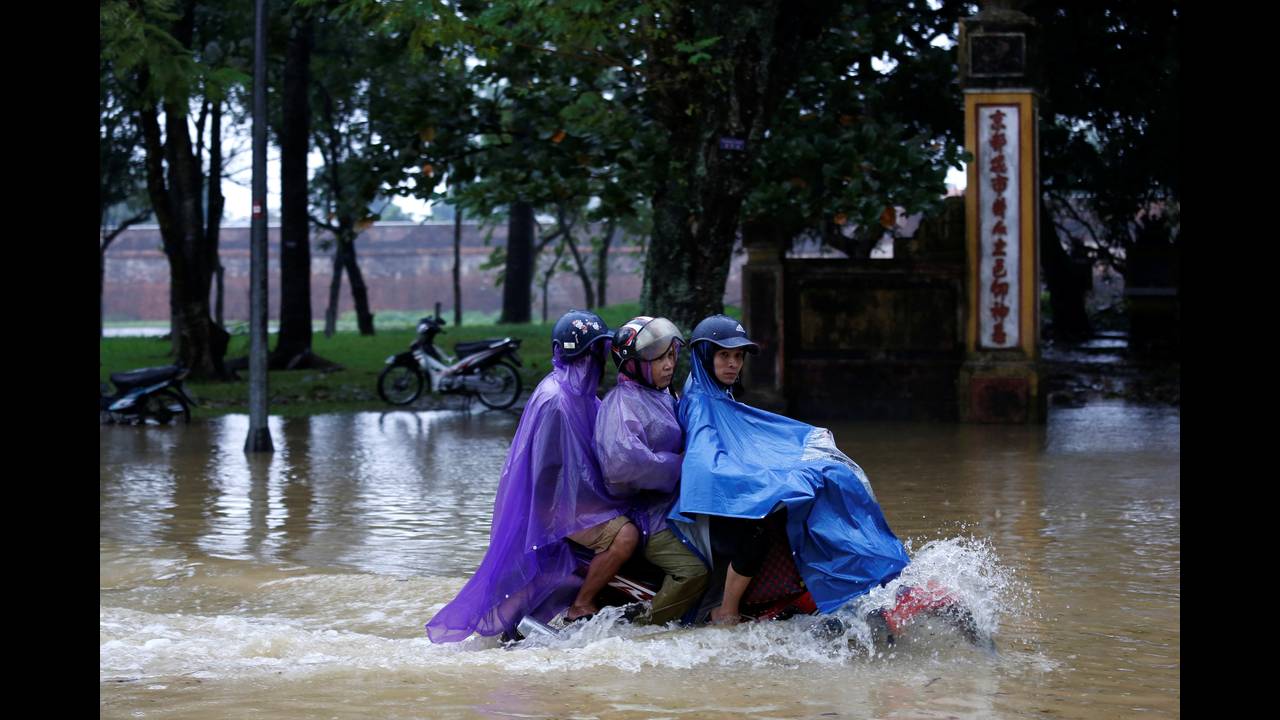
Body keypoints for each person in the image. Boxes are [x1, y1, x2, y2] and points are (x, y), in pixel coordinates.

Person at [667, 314, 910, 625]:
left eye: (738, 356)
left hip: (728, 493)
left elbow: (744, 442)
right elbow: (708, 468)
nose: (733, 364)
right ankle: (727, 610)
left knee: (831, 479)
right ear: (704, 356)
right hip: (714, 506)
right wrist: (767, 483)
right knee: (760, 533)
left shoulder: (715, 391)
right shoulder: (702, 403)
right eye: (723, 355)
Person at [425, 310, 635, 642]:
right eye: (592, 353)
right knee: (625, 536)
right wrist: (586, 508)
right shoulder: (557, 400)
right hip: (556, 506)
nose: (596, 361)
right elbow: (550, 472)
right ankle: (582, 604)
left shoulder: (578, 395)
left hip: (568, 501)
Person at [593, 316, 709, 625]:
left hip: (678, 503)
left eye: (671, 355)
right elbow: (624, 464)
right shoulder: (621, 404)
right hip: (648, 515)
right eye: (658, 358)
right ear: (634, 365)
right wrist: (679, 464)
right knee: (693, 572)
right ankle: (644, 627)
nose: (669, 364)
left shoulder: (665, 394)